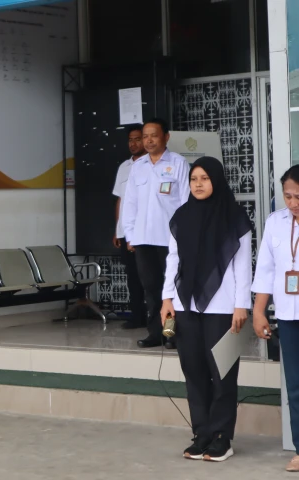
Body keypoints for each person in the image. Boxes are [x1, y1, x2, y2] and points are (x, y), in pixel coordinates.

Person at [160, 157, 252, 462]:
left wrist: (241, 305)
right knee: (194, 371)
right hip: (185, 305)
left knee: (222, 373)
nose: (198, 184)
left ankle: (222, 437)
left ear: (217, 180)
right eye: (193, 179)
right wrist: (167, 299)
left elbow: (243, 266)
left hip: (224, 308)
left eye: (205, 178)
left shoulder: (235, 217)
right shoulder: (181, 216)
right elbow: (173, 260)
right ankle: (201, 434)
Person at [122, 118, 190, 349]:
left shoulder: (178, 163)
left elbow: (185, 202)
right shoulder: (138, 167)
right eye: (145, 136)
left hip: (170, 239)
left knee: (170, 289)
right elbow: (130, 203)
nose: (149, 140)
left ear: (166, 137)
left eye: (154, 135)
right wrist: (130, 235)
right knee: (151, 289)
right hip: (143, 239)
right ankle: (155, 333)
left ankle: (171, 334)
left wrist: (183, 235)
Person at [252, 165, 299, 472]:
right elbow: (266, 271)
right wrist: (259, 311)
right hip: (289, 316)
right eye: (288, 196)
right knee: (295, 385)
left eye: (298, 197)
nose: (293, 203)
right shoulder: (275, 222)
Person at [112, 124, 148, 330]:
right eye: (130, 140)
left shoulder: (151, 164)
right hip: (126, 231)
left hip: (145, 230)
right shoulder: (124, 167)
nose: (133, 144)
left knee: (151, 276)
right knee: (132, 276)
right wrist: (117, 229)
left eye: (137, 139)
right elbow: (120, 200)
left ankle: (159, 319)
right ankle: (137, 316)